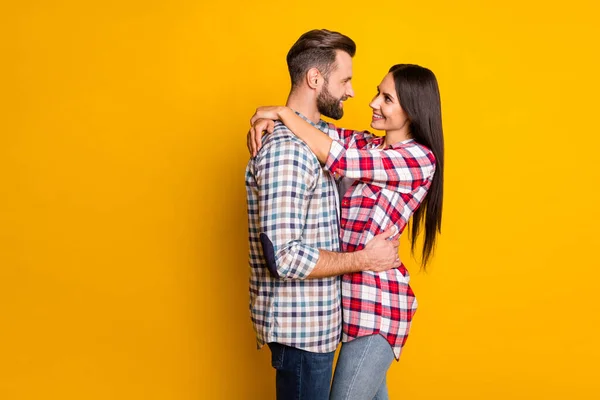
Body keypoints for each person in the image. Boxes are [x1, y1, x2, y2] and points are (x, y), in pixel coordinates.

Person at [249, 63, 444, 399]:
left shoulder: (418, 159)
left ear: (411, 110)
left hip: (377, 308)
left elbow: (337, 157)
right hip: (346, 305)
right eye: (377, 94)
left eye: (387, 99)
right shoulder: (367, 144)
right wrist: (271, 119)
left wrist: (282, 112)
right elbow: (317, 130)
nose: (372, 102)